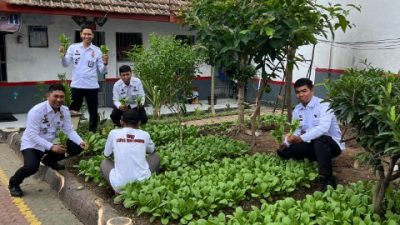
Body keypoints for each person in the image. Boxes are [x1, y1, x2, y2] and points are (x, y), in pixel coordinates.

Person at [9, 84, 86, 197]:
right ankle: (14, 183)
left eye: (62, 97)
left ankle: (49, 160)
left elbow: (69, 130)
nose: (59, 100)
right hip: (32, 144)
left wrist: (81, 142)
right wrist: (52, 147)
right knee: (31, 167)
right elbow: (32, 135)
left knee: (76, 146)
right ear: (48, 96)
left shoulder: (64, 111)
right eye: (56, 96)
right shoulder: (36, 111)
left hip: (50, 143)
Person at [277, 78, 344, 192]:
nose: (301, 95)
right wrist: (287, 141)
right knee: (284, 152)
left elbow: (323, 128)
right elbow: (296, 130)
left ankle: (328, 179)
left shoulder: (325, 105)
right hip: (313, 144)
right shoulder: (297, 110)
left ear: (312, 90)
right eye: (298, 92)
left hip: (331, 146)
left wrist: (301, 138)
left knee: (320, 139)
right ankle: (317, 158)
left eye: (304, 91)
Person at [59, 25, 108, 132]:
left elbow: (102, 71)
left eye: (89, 34)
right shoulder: (73, 47)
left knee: (93, 111)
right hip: (76, 85)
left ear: (93, 36)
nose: (87, 36)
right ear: (81, 35)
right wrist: (62, 55)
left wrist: (105, 63)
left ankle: (93, 132)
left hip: (92, 86)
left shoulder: (97, 50)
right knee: (73, 111)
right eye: (84, 34)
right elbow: (65, 64)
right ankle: (71, 131)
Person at [100, 109, 160, 193]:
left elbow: (106, 154)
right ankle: (147, 185)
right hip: (142, 184)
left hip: (119, 185)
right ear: (139, 123)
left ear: (121, 121)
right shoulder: (145, 134)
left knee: (104, 162)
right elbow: (152, 151)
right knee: (156, 156)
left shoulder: (113, 133)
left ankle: (118, 192)